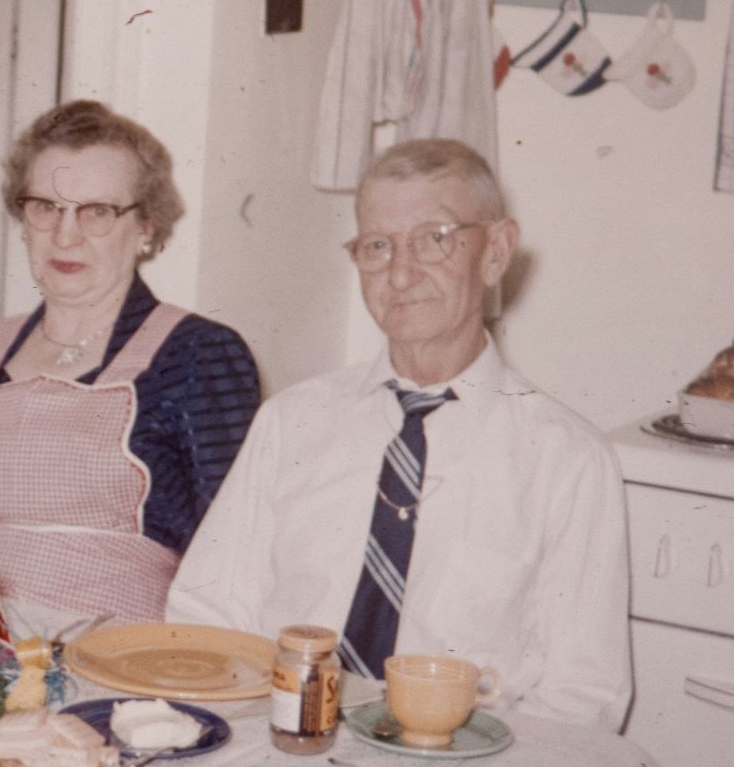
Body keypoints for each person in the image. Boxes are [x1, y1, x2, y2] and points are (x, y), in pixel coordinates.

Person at [167, 138, 630, 730]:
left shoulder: (565, 458)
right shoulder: (293, 421)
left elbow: (583, 693)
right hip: (279, 742)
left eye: (434, 239)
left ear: (495, 252)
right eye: (378, 246)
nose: (401, 273)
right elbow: (205, 614)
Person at [0, 100, 261, 621]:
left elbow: (230, 554)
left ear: (146, 226)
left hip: (103, 655)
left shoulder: (198, 353)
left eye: (97, 212)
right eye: (46, 207)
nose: (66, 235)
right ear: (22, 216)